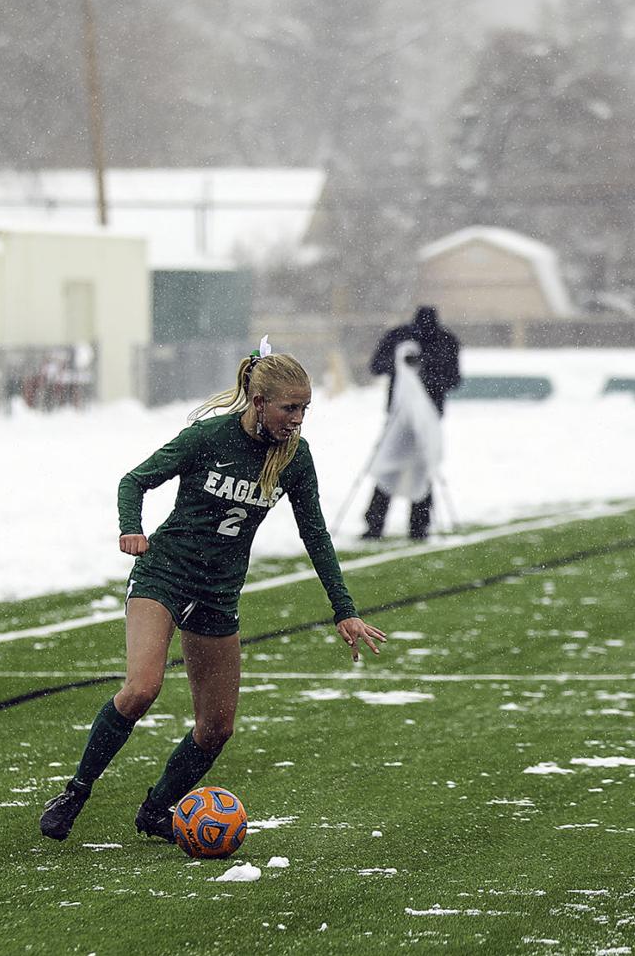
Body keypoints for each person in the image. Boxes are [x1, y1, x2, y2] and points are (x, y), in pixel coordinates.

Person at [39, 339, 387, 843]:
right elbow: (134, 481)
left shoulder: (295, 456)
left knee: (217, 728)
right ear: (259, 401)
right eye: (289, 408)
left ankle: (156, 810)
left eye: (304, 409)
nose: (297, 419)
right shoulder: (208, 436)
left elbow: (315, 534)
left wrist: (344, 610)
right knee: (141, 689)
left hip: (219, 591)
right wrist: (131, 528)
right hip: (164, 575)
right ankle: (75, 792)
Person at [361, 306, 461, 540]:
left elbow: (452, 378)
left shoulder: (441, 341)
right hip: (400, 418)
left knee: (420, 469)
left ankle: (412, 525)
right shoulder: (405, 338)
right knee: (392, 467)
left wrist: (425, 366)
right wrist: (401, 363)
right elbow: (377, 366)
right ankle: (386, 525)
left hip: (427, 420)